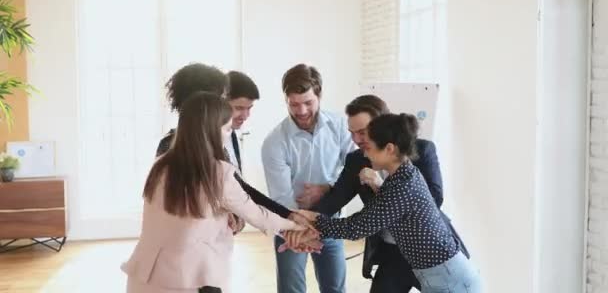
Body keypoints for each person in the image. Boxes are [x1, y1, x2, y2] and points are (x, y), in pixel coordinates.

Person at [121, 92, 306, 293]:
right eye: (227, 129)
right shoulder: (218, 173)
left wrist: (225, 216)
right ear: (210, 132)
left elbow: (185, 216)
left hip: (142, 279)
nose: (228, 136)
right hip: (190, 281)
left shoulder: (160, 166)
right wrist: (297, 227)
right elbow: (259, 216)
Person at [283, 113, 482, 293]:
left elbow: (356, 227)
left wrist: (312, 218)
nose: (365, 154)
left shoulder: (402, 184)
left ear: (389, 149)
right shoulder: (402, 175)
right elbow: (378, 211)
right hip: (441, 276)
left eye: (368, 147)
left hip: (450, 281)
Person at [155, 63, 315, 237]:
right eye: (224, 100)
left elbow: (235, 189)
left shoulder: (220, 138)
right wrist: (289, 222)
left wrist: (286, 216)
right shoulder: (171, 148)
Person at [261, 64, 355, 293]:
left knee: (335, 288)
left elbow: (354, 170)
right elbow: (282, 197)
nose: (301, 111)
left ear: (319, 95)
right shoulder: (274, 142)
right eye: (293, 104)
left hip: (330, 221)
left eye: (308, 102)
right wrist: (300, 230)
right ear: (286, 100)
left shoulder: (341, 127)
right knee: (291, 289)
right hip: (291, 225)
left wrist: (329, 188)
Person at [224, 70, 259, 173]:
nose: (245, 116)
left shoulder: (232, 135)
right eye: (239, 108)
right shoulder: (204, 142)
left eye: (249, 108)